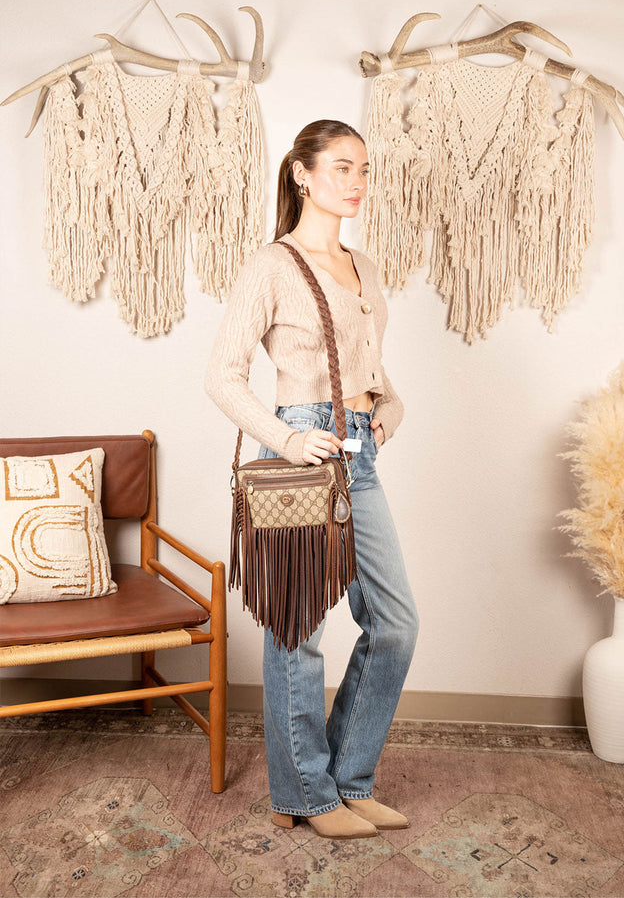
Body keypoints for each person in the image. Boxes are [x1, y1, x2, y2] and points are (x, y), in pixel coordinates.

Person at [205, 119, 419, 840]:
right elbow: (222, 376)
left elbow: (370, 368)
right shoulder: (272, 265)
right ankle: (303, 792)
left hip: (359, 454)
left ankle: (349, 781)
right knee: (297, 631)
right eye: (341, 167)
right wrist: (289, 438)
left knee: (394, 623)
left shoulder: (365, 267)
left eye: (364, 169)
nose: (356, 182)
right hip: (301, 454)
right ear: (301, 173)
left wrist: (389, 405)